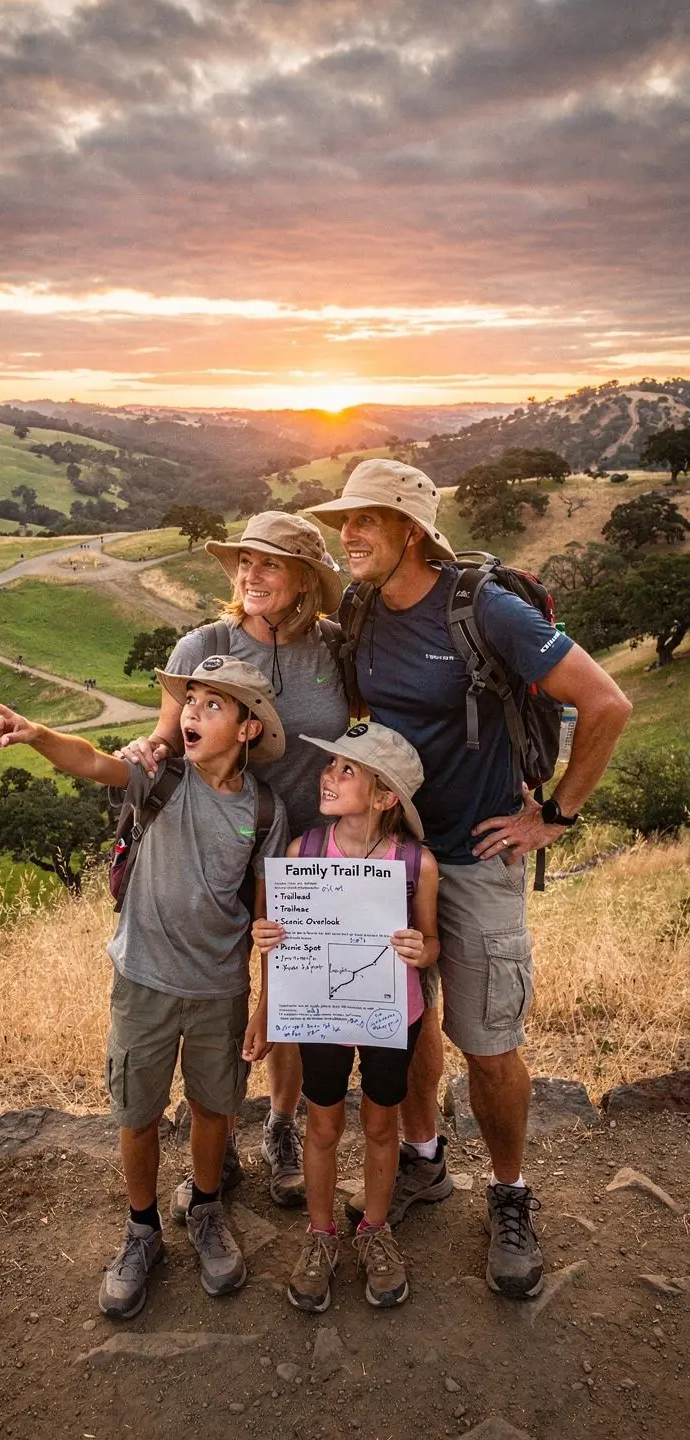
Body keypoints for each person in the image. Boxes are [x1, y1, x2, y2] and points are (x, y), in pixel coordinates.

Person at [308, 459, 632, 1299]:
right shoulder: (360, 608)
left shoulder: (484, 608)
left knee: (487, 1044)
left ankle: (510, 1193)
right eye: (345, 521)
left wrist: (552, 816)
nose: (349, 536)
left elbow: (606, 704)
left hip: (479, 856)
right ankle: (423, 1162)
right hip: (394, 856)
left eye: (366, 521)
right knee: (406, 1025)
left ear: (411, 531)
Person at [0, 656, 289, 1318]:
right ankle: (142, 1229)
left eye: (214, 705)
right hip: (143, 980)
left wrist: (267, 1004)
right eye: (192, 701)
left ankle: (206, 1209)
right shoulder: (158, 775)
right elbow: (93, 762)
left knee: (214, 1108)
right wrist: (38, 735)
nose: (193, 714)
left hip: (218, 990)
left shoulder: (265, 809)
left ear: (246, 729)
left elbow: (269, 917)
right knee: (138, 1113)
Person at [118, 511, 350, 1210]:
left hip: (309, 844)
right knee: (228, 986)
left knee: (294, 988)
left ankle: (281, 1125)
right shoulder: (204, 644)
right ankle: (217, 1149)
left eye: (269, 564)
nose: (250, 575)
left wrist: (365, 791)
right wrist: (141, 752)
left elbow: (362, 724)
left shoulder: (335, 648)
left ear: (305, 578)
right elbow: (168, 736)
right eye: (244, 563)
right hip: (218, 840)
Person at [255, 722, 439, 1312]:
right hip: (322, 1015)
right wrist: (268, 937)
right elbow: (280, 938)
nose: (327, 777)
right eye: (331, 765)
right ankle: (320, 1234)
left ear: (386, 797)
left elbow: (432, 944)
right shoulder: (301, 853)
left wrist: (421, 949)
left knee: (383, 1125)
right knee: (323, 1125)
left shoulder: (417, 864)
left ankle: (375, 1229)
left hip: (392, 1014)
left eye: (346, 770)